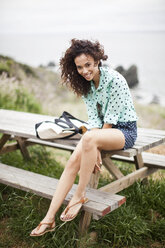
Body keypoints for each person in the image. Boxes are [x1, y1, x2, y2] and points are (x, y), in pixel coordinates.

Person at [30, 39, 137, 236]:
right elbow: (94, 119)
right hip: (101, 132)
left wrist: (95, 144)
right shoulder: (86, 85)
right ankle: (49, 218)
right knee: (72, 161)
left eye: (88, 65)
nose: (84, 71)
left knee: (88, 139)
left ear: (97, 60)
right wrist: (94, 144)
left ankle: (79, 195)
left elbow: (110, 120)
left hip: (124, 131)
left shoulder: (115, 80)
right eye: (79, 67)